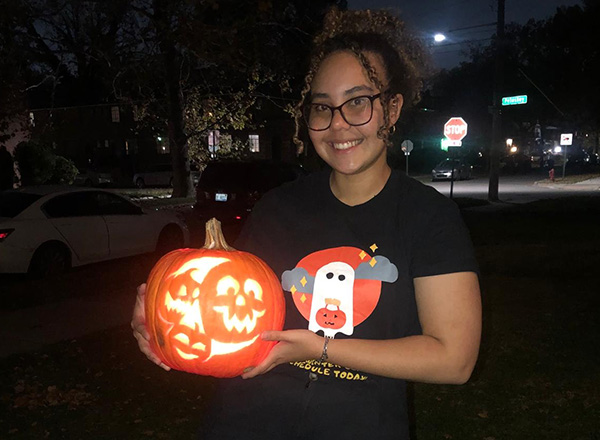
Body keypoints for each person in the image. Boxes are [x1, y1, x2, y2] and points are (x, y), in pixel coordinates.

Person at [132, 8, 481, 439]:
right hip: (245, 421)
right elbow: (221, 297)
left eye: (357, 102)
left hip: (359, 426)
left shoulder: (430, 218)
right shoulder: (279, 207)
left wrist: (320, 348)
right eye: (322, 108)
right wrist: (161, 317)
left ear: (391, 108)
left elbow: (454, 361)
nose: (337, 125)